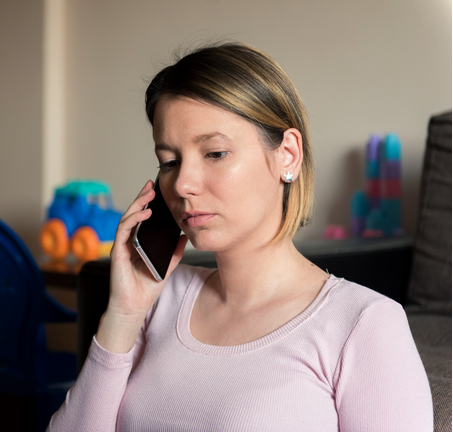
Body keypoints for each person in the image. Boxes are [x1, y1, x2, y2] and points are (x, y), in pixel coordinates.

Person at [47, 43, 432, 431]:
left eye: (214, 153)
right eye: (169, 162)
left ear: (288, 156)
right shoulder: (158, 297)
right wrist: (123, 315)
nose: (182, 183)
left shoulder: (363, 324)